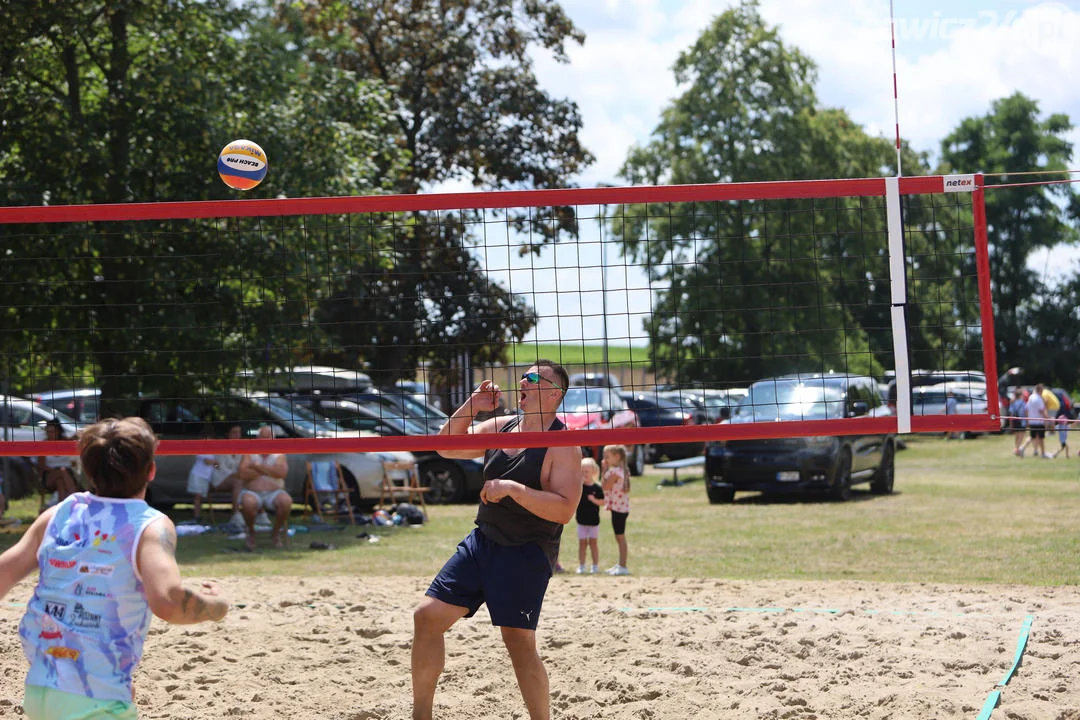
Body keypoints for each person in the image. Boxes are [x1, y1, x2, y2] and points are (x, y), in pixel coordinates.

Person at [0, 417, 228, 719]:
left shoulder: (59, 513)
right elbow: (168, 601)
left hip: (41, 690)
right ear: (151, 470)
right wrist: (217, 606)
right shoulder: (150, 525)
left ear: (87, 468)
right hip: (95, 701)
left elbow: (3, 572)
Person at [412, 360, 581, 720]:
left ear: (554, 393)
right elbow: (446, 447)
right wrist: (472, 405)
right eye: (523, 375)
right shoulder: (503, 427)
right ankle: (421, 715)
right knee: (427, 617)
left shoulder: (563, 443)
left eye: (533, 377)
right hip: (482, 542)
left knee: (518, 643)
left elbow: (565, 510)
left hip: (526, 552)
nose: (523, 380)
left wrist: (512, 489)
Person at [236, 424, 291, 550]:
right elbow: (242, 474)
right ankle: (251, 532)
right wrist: (271, 470)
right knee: (248, 503)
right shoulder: (249, 452)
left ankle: (275, 532)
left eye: (269, 436)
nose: (266, 439)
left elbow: (282, 473)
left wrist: (256, 466)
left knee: (286, 502)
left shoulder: (279, 454)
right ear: (257, 438)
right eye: (263, 436)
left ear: (273, 438)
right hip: (252, 491)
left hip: (274, 492)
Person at [601, 444, 631, 576]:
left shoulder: (614, 472)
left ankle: (623, 565)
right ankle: (621, 564)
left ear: (617, 456)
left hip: (618, 509)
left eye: (607, 456)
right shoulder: (622, 470)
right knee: (619, 537)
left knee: (620, 537)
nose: (605, 459)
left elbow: (605, 487)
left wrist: (604, 471)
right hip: (621, 508)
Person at [37, 418, 79, 504]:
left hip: (66, 474)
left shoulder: (66, 442)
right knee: (61, 471)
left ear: (58, 431)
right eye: (48, 432)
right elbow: (42, 465)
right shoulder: (43, 444)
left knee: (60, 482)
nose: (50, 434)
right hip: (50, 475)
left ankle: (61, 504)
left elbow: (79, 436)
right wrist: (56, 470)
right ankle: (74, 494)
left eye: (52, 432)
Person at [575, 457, 605, 574]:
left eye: (587, 471)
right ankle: (582, 566)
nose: (584, 474)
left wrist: (594, 500)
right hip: (581, 521)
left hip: (593, 522)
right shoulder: (579, 487)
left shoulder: (597, 487)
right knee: (582, 544)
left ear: (593, 472)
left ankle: (595, 566)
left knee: (593, 543)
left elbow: (603, 502)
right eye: (582, 471)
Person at [1024, 383, 1050, 460]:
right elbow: (1041, 410)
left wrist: (1028, 419)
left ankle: (1030, 449)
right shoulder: (1039, 399)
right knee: (1041, 438)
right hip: (1039, 421)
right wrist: (1047, 418)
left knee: (1033, 437)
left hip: (1032, 421)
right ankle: (1043, 453)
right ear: (1040, 390)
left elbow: (1026, 409)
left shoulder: (1031, 397)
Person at [1009, 389, 1027, 457]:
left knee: (1016, 436)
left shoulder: (1012, 402)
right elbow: (1025, 411)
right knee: (1021, 436)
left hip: (1015, 421)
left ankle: (1016, 448)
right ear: (1020, 395)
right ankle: (1017, 449)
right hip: (1021, 421)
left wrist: (1011, 424)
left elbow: (1011, 413)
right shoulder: (1022, 402)